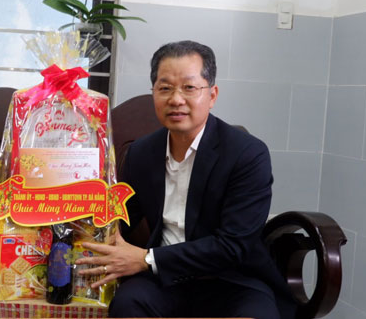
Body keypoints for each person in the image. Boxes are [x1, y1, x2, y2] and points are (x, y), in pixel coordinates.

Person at [75, 40, 295, 319]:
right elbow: (123, 220)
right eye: (164, 88)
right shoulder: (141, 152)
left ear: (212, 95)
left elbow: (234, 246)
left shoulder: (247, 154)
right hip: (163, 280)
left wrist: (144, 258)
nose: (176, 99)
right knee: (127, 305)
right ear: (153, 93)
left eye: (189, 88)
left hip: (232, 279)